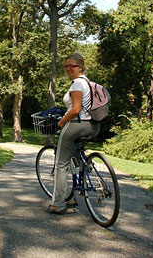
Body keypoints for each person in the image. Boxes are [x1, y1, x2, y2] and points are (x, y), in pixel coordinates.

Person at [46, 53, 100, 215]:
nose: (69, 69)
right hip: (93, 126)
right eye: (66, 66)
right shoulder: (89, 83)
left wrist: (61, 122)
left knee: (61, 164)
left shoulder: (77, 84)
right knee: (76, 157)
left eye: (72, 66)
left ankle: (58, 204)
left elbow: (76, 109)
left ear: (81, 67)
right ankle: (83, 177)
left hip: (76, 125)